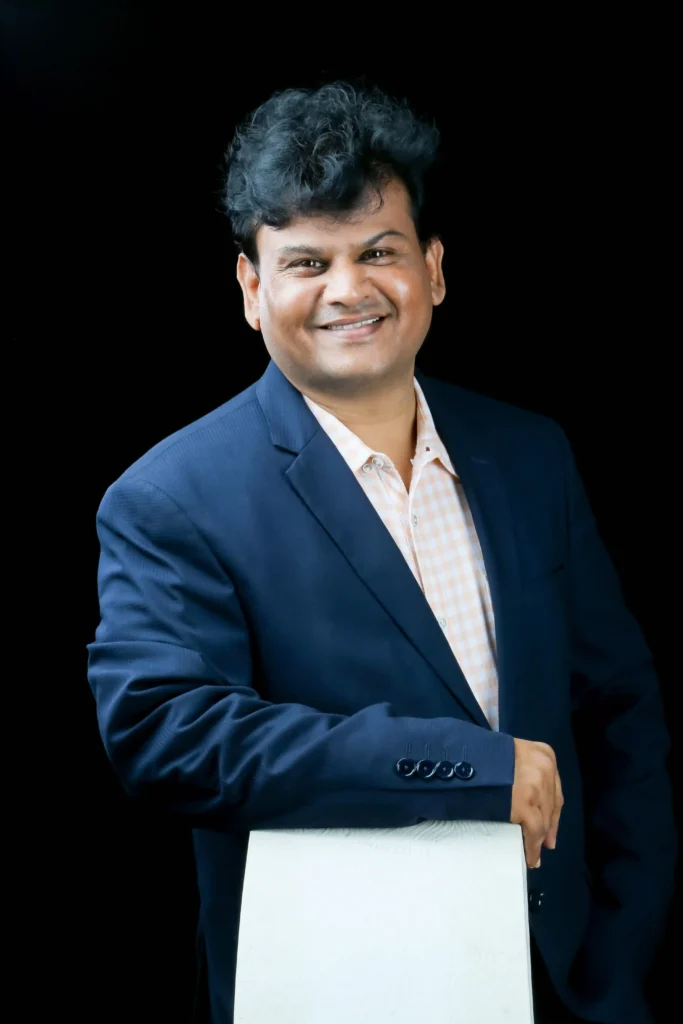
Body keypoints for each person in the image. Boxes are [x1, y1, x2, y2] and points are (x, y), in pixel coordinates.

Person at [87, 82, 676, 1024]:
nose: (348, 289)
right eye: (305, 262)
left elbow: (618, 710)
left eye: (377, 252)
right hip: (335, 986)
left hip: (567, 977)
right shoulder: (169, 499)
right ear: (251, 289)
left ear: (432, 270)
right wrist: (468, 764)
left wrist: (618, 951)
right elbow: (170, 736)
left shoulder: (529, 454)